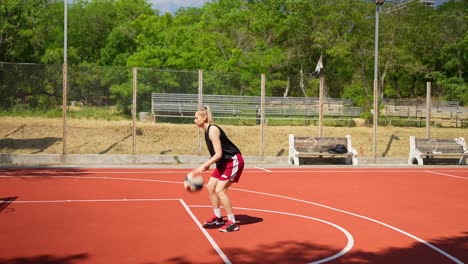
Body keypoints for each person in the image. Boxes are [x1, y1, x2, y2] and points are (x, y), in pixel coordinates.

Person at [190, 106, 244, 232]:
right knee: (210, 187)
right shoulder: (207, 130)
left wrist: (203, 165)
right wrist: (209, 163)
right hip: (223, 162)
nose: (194, 120)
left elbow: (218, 154)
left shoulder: (212, 130)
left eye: (196, 118)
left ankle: (232, 222)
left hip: (232, 160)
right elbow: (217, 153)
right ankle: (218, 218)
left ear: (204, 118)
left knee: (220, 190)